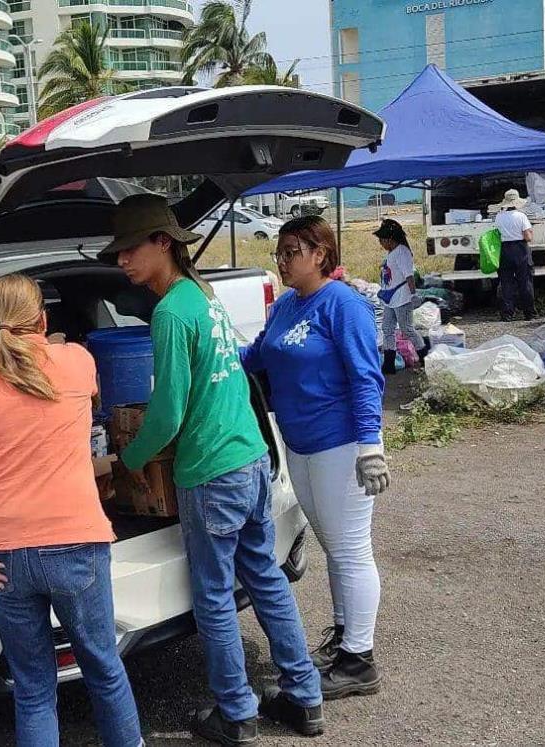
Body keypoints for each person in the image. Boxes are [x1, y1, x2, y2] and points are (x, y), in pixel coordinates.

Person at [103, 194, 325, 744]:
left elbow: (168, 414)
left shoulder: (171, 312)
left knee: (214, 595)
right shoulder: (203, 298)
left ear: (163, 243)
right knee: (266, 578)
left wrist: (123, 462)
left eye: (131, 248)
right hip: (249, 458)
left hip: (210, 471)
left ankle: (235, 712)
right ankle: (304, 696)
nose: (122, 261)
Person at [0, 274, 142, 747]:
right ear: (42, 317)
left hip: (1, 553)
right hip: (76, 542)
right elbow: (91, 397)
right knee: (103, 668)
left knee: (35, 689)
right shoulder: (77, 362)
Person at [241, 215, 389, 701]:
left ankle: (358, 661)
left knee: (350, 548)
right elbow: (255, 358)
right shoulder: (287, 305)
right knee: (333, 546)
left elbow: (366, 376)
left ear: (320, 254)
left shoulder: (342, 305)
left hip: (341, 444)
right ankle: (345, 638)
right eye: (279, 253)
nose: (281, 261)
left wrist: (371, 445)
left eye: (291, 252)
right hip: (299, 446)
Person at [375, 218, 427, 374]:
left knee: (407, 328)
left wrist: (413, 295)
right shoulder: (392, 253)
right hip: (391, 299)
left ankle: (424, 355)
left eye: (382, 240)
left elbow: (409, 276)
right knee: (387, 328)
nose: (381, 244)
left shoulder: (402, 253)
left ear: (390, 239)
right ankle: (389, 363)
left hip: (402, 298)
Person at [495, 188, 536, 321]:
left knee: (506, 282)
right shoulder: (521, 216)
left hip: (504, 249)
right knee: (525, 282)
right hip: (520, 249)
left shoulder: (499, 216)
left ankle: (507, 313)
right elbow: (528, 237)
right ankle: (529, 313)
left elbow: (497, 233)